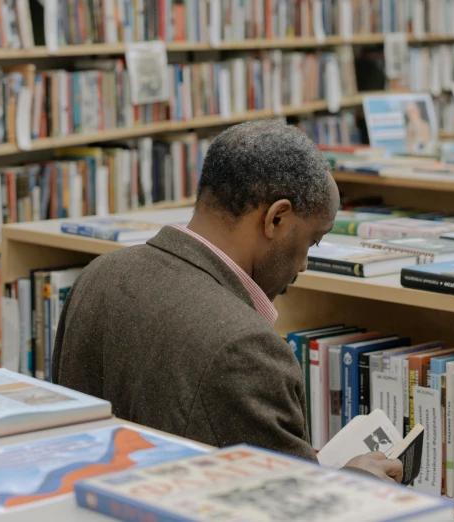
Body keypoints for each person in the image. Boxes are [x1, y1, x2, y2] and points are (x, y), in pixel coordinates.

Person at [52, 119, 403, 483]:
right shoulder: (246, 348)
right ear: (276, 218)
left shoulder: (98, 275)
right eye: (311, 242)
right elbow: (291, 507)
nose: (303, 264)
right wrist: (358, 484)